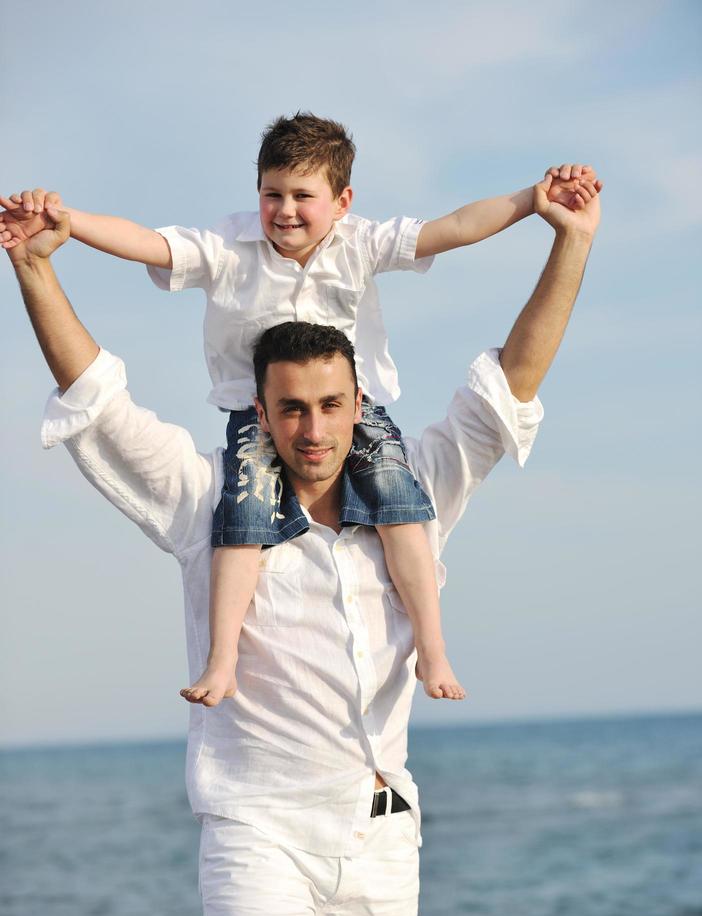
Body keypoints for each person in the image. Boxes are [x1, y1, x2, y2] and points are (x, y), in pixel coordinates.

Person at [3, 168, 600, 916]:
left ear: (359, 404)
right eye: (289, 409)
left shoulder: (413, 493)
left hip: (382, 838)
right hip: (260, 837)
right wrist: (35, 269)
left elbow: (509, 386)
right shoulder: (207, 499)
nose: (311, 430)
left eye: (329, 406)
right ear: (260, 411)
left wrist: (572, 241)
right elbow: (99, 403)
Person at [0, 114, 600, 709]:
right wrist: (68, 223)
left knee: (405, 510)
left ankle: (434, 648)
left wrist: (532, 201)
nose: (285, 211)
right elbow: (149, 242)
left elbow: (454, 228)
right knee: (240, 526)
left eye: (302, 197)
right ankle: (223, 658)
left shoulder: (361, 241)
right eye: (271, 194)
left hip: (364, 419)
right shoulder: (228, 248)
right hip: (250, 417)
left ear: (342, 201)